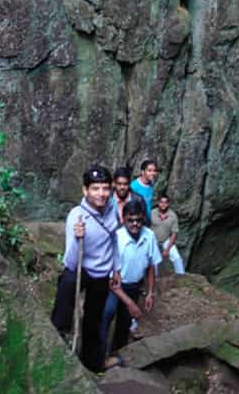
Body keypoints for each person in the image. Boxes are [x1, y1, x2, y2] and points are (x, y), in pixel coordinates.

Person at [51, 165, 122, 372]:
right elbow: (71, 261)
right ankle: (58, 334)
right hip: (81, 268)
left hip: (101, 273)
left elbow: (114, 241)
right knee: (68, 283)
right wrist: (76, 238)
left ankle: (92, 361)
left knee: (94, 319)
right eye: (96, 188)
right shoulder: (77, 216)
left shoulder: (112, 212)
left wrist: (116, 269)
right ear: (85, 190)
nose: (102, 194)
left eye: (105, 188)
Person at [100, 200, 162, 366]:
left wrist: (150, 293)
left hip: (133, 285)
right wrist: (129, 303)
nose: (135, 224)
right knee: (107, 312)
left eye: (138, 220)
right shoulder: (117, 238)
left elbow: (150, 266)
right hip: (115, 286)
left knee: (124, 322)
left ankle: (116, 356)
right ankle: (97, 356)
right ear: (123, 219)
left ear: (143, 219)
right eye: (130, 220)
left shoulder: (149, 236)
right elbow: (111, 279)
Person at [151, 194, 185, 274]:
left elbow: (174, 233)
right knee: (153, 260)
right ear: (158, 203)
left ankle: (181, 276)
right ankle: (154, 279)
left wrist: (167, 249)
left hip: (166, 239)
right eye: (161, 202)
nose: (163, 204)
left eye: (165, 202)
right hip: (153, 239)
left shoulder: (173, 215)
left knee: (176, 258)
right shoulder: (152, 213)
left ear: (168, 204)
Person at [129, 159, 158, 226]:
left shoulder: (151, 184)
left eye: (154, 171)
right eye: (149, 171)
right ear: (143, 172)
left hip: (147, 221)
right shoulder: (134, 186)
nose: (153, 173)